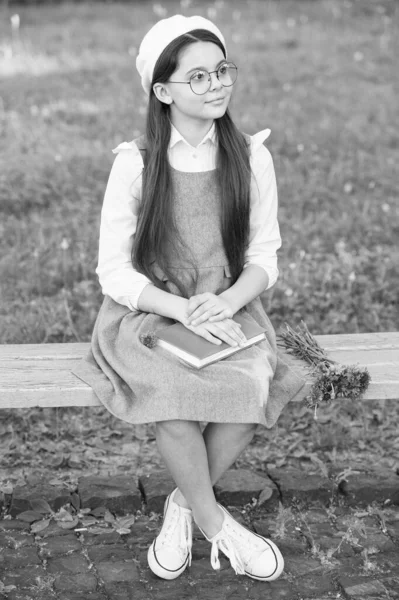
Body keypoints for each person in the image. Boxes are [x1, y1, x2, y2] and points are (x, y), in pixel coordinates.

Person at [72, 14, 306, 582]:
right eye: (197, 77)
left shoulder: (251, 157)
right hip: (150, 312)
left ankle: (182, 504)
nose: (217, 83)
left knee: (254, 384)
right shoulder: (137, 163)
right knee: (172, 391)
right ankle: (218, 523)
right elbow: (114, 272)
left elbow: (264, 259)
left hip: (226, 305)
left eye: (222, 69)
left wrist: (224, 304)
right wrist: (180, 309)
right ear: (162, 91)